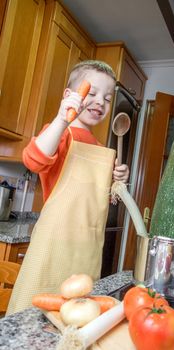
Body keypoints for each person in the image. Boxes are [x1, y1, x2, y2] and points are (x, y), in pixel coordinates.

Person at [7, 60, 129, 315]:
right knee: (34, 316)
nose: (100, 102)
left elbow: (104, 199)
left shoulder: (100, 149)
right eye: (91, 93)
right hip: (54, 245)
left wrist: (117, 182)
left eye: (107, 98)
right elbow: (33, 159)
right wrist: (62, 119)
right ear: (69, 96)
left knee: (76, 318)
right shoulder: (59, 133)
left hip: (88, 250)